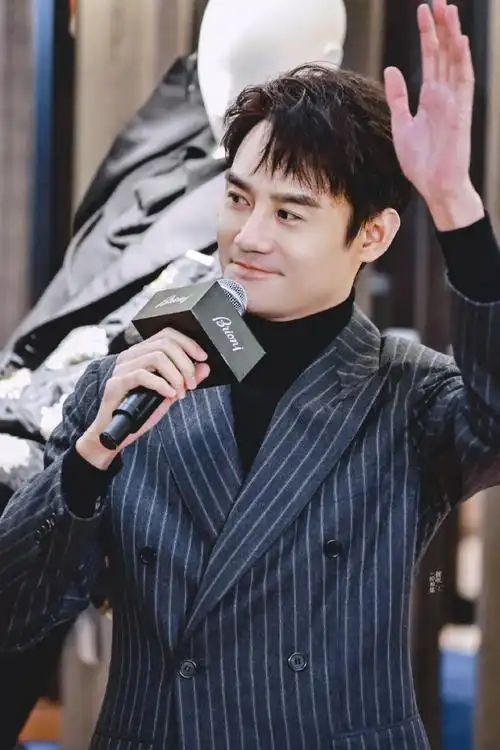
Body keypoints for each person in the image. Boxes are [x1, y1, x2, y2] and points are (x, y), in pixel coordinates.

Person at [1, 1, 499, 748]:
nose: (249, 236)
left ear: (372, 234)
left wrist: (456, 205)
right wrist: (85, 462)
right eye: (238, 199)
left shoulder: (408, 395)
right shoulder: (124, 381)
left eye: (290, 214)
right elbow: (14, 609)